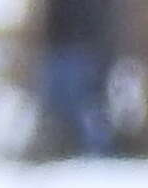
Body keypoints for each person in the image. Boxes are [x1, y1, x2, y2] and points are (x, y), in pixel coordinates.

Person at [32, 0, 121, 153]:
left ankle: (96, 155)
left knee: (84, 108)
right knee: (56, 107)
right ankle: (62, 151)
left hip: (82, 52)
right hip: (59, 51)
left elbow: (104, 21)